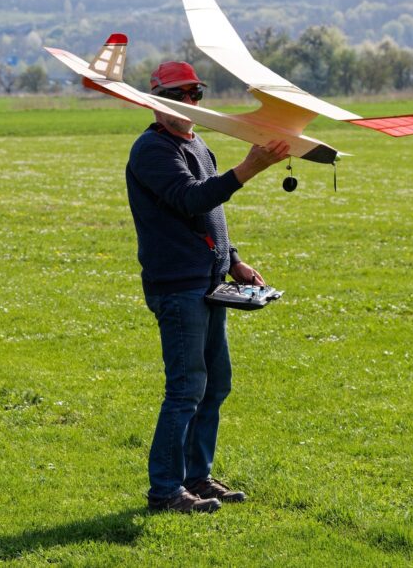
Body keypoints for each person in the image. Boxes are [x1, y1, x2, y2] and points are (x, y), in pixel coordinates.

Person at [125, 61, 290, 513]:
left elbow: (208, 213)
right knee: (186, 389)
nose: (189, 102)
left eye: (195, 93)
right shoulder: (151, 150)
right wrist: (250, 168)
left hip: (209, 282)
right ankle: (165, 490)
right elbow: (190, 198)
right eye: (177, 95)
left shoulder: (198, 145)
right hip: (177, 287)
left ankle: (197, 477)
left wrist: (233, 260)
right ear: (154, 101)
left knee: (215, 385)